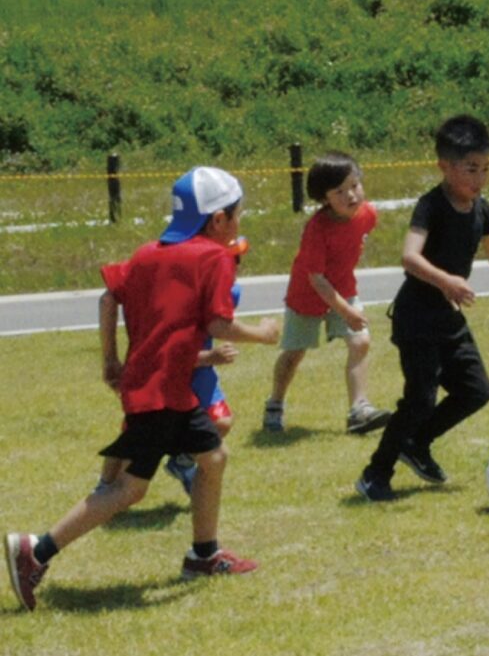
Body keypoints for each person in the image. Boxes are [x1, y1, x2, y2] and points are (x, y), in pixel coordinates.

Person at [4, 167, 281, 612]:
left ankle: (204, 555)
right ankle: (35, 552)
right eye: (237, 214)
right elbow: (217, 324)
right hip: (162, 392)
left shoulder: (148, 253)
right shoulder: (212, 257)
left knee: (213, 456)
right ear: (217, 220)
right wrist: (264, 333)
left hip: (161, 385)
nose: (239, 223)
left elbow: (108, 296)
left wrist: (110, 359)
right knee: (128, 490)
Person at [356, 114, 489, 502]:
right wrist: (447, 281)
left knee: (476, 390)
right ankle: (374, 474)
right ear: (444, 167)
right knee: (419, 398)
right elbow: (409, 257)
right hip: (416, 317)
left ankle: (416, 443)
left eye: (486, 168)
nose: (480, 178)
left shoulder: (481, 209)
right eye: (471, 169)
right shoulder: (430, 206)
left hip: (447, 319)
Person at [97, 237, 250, 496]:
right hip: (160, 374)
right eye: (229, 259)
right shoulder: (166, 270)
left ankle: (182, 462)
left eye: (236, 260)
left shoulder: (227, 290)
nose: (233, 267)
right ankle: (104, 488)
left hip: (197, 373)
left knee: (221, 422)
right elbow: (167, 348)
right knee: (134, 437)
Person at [263, 152, 390, 435]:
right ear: (324, 199)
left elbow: (357, 241)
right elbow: (316, 278)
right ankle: (275, 403)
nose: (351, 195)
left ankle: (359, 410)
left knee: (360, 342)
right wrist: (346, 311)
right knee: (294, 353)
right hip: (307, 295)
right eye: (340, 191)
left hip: (343, 288)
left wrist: (347, 303)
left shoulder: (367, 214)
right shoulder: (317, 229)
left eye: (355, 185)